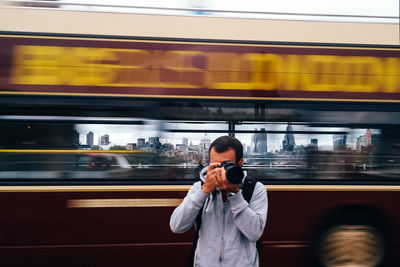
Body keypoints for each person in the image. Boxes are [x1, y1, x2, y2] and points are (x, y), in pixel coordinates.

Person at [170, 136, 268, 267]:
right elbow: (177, 226)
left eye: (226, 165)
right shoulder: (199, 188)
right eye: (216, 165)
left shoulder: (255, 189)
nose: (221, 171)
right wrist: (203, 191)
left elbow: (254, 233)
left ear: (240, 163)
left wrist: (235, 195)